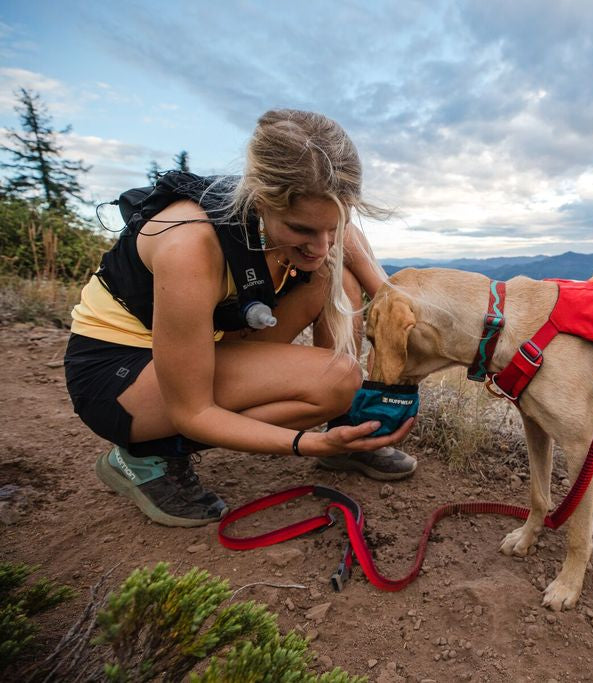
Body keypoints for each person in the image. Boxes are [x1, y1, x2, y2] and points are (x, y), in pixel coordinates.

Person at [64, 109, 416, 528]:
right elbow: (193, 412)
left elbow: (371, 275)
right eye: (302, 229)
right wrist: (308, 444)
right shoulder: (189, 245)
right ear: (261, 199)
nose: (321, 245)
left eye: (334, 226)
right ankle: (145, 456)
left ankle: (347, 429)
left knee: (337, 275)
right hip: (117, 375)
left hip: (202, 342)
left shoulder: (308, 218)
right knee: (336, 380)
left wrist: (401, 311)